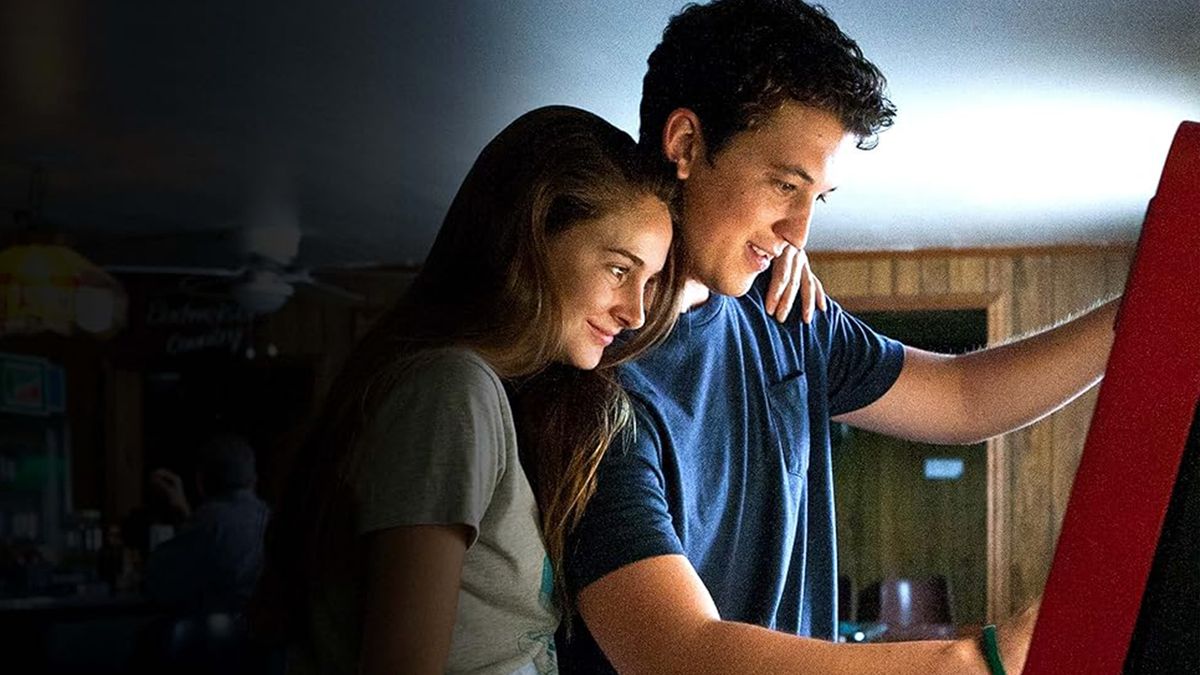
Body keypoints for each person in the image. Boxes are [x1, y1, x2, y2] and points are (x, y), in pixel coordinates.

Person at [557, 1, 1119, 673]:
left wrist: (1143, 318)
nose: (800, 233)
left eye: (814, 200)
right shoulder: (590, 381)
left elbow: (965, 397)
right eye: (782, 185)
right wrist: (972, 662)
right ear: (685, 144)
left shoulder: (785, 310)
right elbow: (679, 652)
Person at [248, 104, 826, 675]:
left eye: (650, 282)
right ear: (535, 235)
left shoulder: (498, 397)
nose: (635, 313)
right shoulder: (452, 391)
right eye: (620, 270)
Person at [143, 433, 271, 614]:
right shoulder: (272, 521)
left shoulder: (209, 523)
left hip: (218, 638)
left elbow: (156, 580)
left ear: (200, 481)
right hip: (264, 637)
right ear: (254, 480)